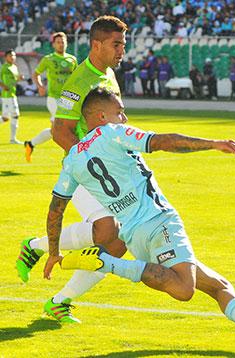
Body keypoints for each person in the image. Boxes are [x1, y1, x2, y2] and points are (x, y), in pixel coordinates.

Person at [44, 87, 235, 341]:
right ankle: (106, 262)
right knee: (183, 289)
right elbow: (162, 141)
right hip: (160, 222)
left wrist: (54, 252)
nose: (124, 118)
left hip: (135, 239)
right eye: (120, 112)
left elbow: (56, 210)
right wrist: (213, 144)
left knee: (217, 285)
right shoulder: (113, 132)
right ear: (101, 116)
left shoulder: (72, 160)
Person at [15, 15, 128, 324]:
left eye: (123, 44)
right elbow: (60, 131)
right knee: (109, 231)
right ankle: (36, 248)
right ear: (97, 44)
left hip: (110, 169)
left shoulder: (108, 76)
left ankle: (58, 298)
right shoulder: (79, 81)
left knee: (117, 244)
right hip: (84, 170)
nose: (122, 50)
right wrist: (90, 162)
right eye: (116, 44)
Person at [24, 32, 78, 162]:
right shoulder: (48, 59)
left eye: (63, 42)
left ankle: (30, 144)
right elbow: (36, 74)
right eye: (58, 42)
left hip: (69, 99)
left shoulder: (72, 59)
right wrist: (40, 86)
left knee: (58, 131)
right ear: (53, 44)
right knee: (61, 129)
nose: (61, 44)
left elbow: (76, 78)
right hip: (54, 98)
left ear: (66, 43)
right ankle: (70, 158)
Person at [0, 49, 24, 144]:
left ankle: (13, 139)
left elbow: (13, 81)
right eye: (10, 56)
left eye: (14, 56)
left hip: (12, 94)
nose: (12, 57)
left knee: (5, 118)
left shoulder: (14, 67)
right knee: (15, 115)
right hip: (7, 95)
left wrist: (19, 79)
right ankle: (13, 139)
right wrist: (3, 86)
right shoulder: (5, 68)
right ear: (5, 57)